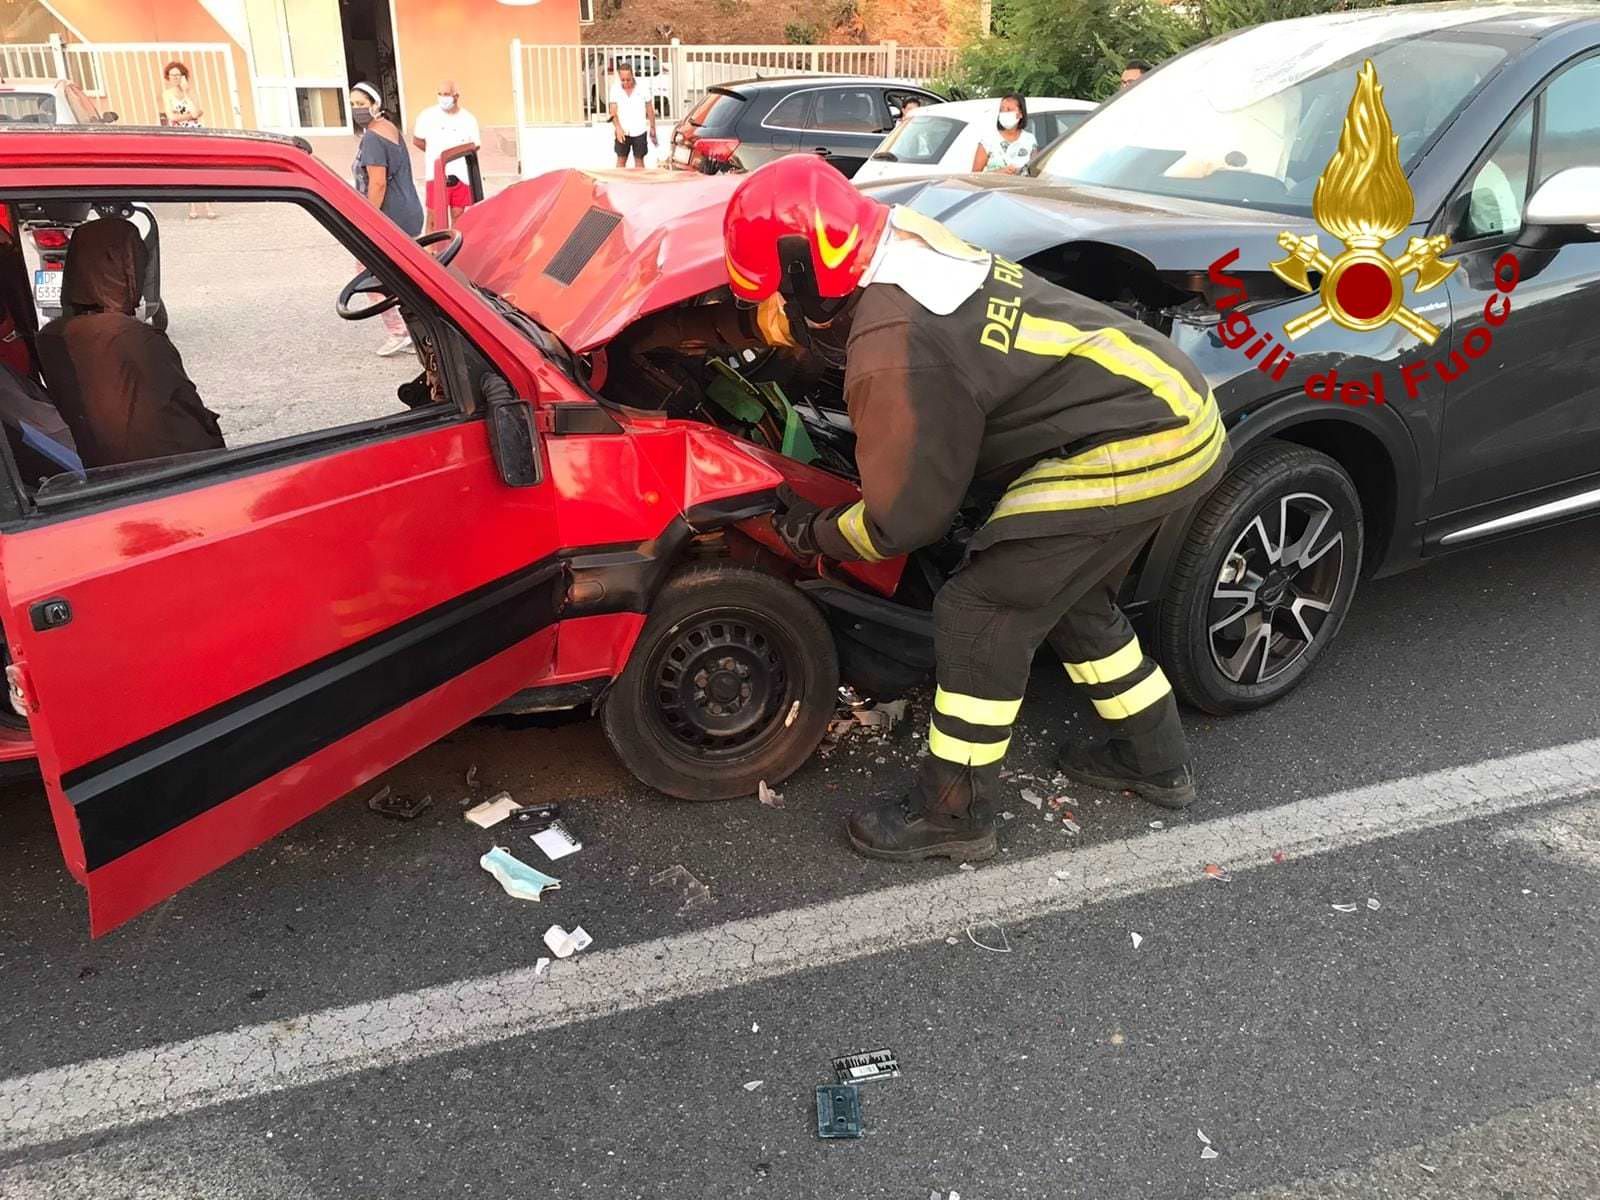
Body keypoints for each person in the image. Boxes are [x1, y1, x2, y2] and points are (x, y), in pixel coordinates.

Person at [723, 155, 1231, 862]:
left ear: (804, 277)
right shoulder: (900, 242)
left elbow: (904, 521)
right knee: (1070, 597)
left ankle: (953, 811)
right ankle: (1155, 758)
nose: (768, 319)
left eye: (771, 301)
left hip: (1142, 438)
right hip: (1172, 403)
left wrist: (810, 532)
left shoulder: (893, 345)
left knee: (984, 606)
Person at [35, 217, 221, 470]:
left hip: (97, 469)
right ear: (128, 270)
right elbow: (186, 411)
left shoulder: (50, 336)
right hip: (166, 471)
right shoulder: (134, 337)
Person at [350, 82, 423, 358]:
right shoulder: (391, 129)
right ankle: (415, 328)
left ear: (376, 104)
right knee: (403, 276)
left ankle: (398, 332)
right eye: (353, 104)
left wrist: (368, 220)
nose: (357, 109)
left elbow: (377, 183)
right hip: (409, 212)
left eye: (361, 103)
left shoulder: (372, 138)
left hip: (389, 216)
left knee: (367, 273)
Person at [412, 79, 480, 232]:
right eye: (440, 94)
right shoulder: (427, 116)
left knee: (459, 216)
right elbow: (417, 140)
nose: (443, 98)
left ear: (456, 96)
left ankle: (456, 251)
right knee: (434, 217)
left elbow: (475, 146)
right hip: (435, 175)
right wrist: (435, 154)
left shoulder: (468, 119)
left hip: (461, 175)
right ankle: (430, 251)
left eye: (447, 94)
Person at [160, 61, 216, 219]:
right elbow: (172, 116)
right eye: (173, 76)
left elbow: (197, 112)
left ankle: (208, 205)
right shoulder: (167, 94)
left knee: (202, 168)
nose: (176, 79)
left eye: (179, 75)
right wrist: (190, 116)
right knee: (187, 169)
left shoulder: (190, 92)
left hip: (195, 131)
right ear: (168, 78)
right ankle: (192, 206)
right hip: (179, 133)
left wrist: (186, 94)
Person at [971, 94, 1035, 175]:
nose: (1004, 113)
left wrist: (1021, 171)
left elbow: (1035, 171)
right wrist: (998, 173)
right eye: (1001, 110)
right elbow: (974, 176)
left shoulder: (1030, 140)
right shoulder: (988, 140)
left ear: (1020, 114)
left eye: (1009, 110)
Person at [608, 62, 656, 169]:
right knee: (621, 160)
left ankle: (640, 185)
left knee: (639, 162)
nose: (625, 82)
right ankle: (618, 185)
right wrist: (618, 128)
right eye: (623, 80)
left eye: (628, 79)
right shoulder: (615, 89)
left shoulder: (643, 87)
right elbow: (613, 112)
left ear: (632, 75)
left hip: (639, 131)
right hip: (622, 131)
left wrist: (653, 127)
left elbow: (649, 109)